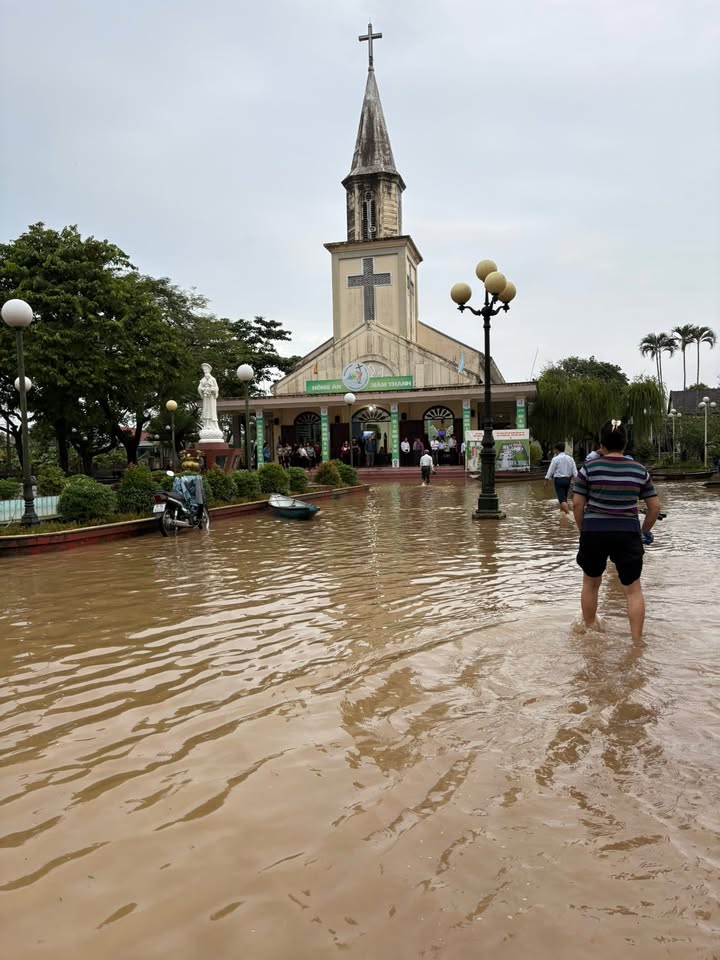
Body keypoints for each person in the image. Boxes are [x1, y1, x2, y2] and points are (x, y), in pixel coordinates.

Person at [573, 419, 661, 641]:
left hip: (594, 532)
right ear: (625, 444)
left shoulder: (588, 469)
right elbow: (654, 507)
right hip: (628, 533)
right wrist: (643, 531)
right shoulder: (639, 470)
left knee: (591, 583)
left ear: (601, 445)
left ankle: (590, 633)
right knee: (633, 589)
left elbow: (577, 505)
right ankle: (637, 642)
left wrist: (584, 530)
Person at [544, 442, 578, 513]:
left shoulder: (555, 459)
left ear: (557, 450)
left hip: (559, 481)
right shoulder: (570, 458)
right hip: (567, 480)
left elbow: (550, 470)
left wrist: (546, 479)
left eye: (554, 450)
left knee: (562, 500)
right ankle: (563, 516)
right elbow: (575, 472)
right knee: (564, 498)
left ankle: (568, 514)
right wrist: (578, 480)